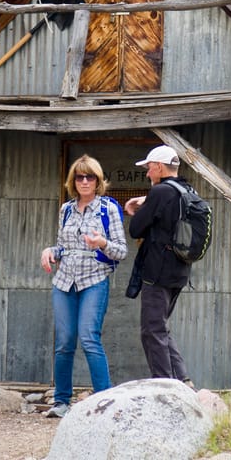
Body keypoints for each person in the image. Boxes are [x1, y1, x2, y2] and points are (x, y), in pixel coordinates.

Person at [40, 155, 127, 418]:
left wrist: (102, 243)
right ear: (73, 181)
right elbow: (63, 246)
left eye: (90, 177)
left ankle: (104, 401)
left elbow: (121, 251)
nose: (85, 181)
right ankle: (61, 402)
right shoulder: (66, 209)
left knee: (89, 338)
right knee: (64, 342)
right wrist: (50, 251)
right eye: (80, 177)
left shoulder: (108, 208)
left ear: (98, 181)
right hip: (65, 281)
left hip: (94, 280)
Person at [124, 145, 194, 388]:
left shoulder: (160, 192)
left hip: (158, 273)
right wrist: (148, 201)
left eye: (149, 168)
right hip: (180, 271)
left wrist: (139, 208)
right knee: (161, 327)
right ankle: (182, 380)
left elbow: (136, 230)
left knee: (151, 331)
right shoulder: (187, 190)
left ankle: (164, 385)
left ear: (160, 167)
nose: (146, 173)